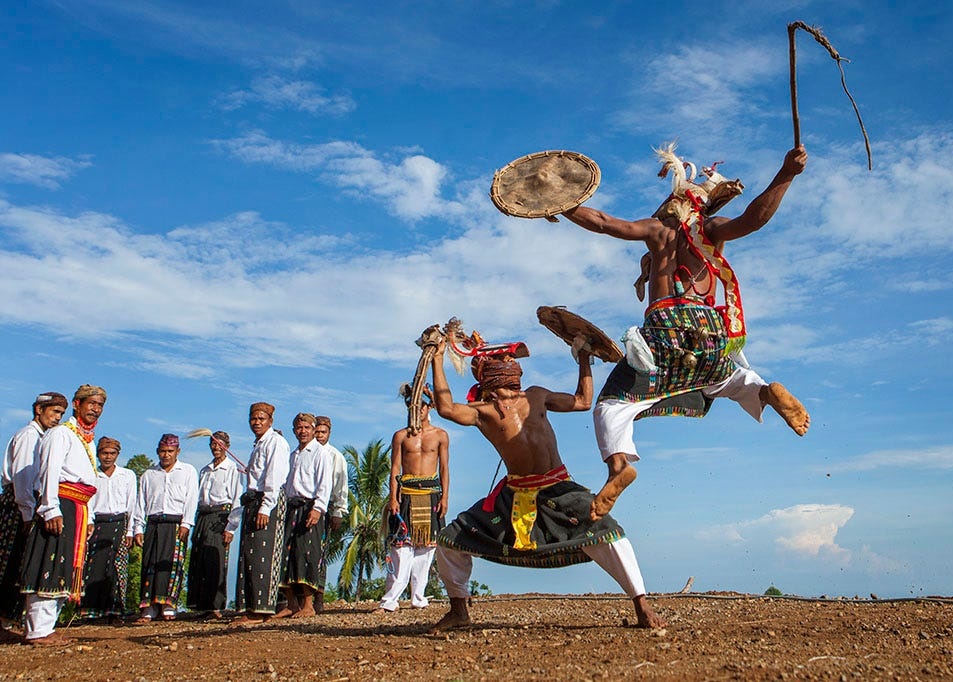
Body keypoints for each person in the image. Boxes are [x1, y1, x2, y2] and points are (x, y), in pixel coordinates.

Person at [561, 145, 812, 520]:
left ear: (671, 203)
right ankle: (766, 392)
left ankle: (618, 468)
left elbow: (600, 220)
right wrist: (786, 174)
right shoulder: (711, 231)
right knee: (733, 379)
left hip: (664, 338)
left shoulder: (656, 232)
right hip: (710, 337)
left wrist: (560, 206)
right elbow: (753, 219)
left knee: (612, 405)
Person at [428, 334, 665, 632]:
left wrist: (583, 358)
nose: (510, 364)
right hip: (512, 495)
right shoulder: (483, 412)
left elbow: (582, 401)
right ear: (486, 372)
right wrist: (437, 358)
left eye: (509, 360)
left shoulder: (536, 395)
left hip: (558, 488)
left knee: (608, 532)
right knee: (452, 539)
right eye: (502, 361)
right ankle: (459, 610)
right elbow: (446, 408)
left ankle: (642, 607)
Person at [19, 384, 104, 645]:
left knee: (66, 565)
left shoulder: (83, 439)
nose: (95, 410)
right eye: (90, 404)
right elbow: (50, 472)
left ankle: (48, 627)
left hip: (78, 507)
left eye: (99, 406)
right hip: (61, 504)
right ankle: (37, 630)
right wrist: (49, 507)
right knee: (50, 561)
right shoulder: (61, 434)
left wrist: (88, 517)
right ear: (77, 405)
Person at [0, 392, 68, 626]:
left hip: (27, 503)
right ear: (39, 410)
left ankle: (10, 619)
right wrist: (28, 513)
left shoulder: (43, 437)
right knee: (11, 560)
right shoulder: (30, 436)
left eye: (61, 413)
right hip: (20, 505)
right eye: (54, 411)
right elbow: (23, 479)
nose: (58, 417)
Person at [378, 390, 448, 612]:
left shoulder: (440, 435)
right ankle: (390, 599)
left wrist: (445, 496)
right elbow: (395, 468)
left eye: (422, 406)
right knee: (401, 549)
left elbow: (444, 468)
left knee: (426, 550)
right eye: (412, 407)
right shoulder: (400, 436)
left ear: (429, 407)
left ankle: (418, 597)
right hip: (406, 494)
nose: (417, 411)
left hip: (430, 495)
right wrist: (393, 497)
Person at [234, 402, 290, 624]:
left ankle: (262, 610)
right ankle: (252, 607)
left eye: (261, 419)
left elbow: (274, 478)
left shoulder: (276, 443)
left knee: (263, 554)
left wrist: (266, 506)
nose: (256, 422)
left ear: (270, 421)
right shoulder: (258, 444)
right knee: (250, 553)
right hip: (254, 501)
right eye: (253, 419)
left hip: (268, 502)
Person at [133, 434, 198, 622]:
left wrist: (186, 523)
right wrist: (138, 528)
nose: (166, 455)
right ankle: (149, 607)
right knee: (150, 564)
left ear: (177, 451)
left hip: (175, 523)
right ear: (157, 451)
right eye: (163, 451)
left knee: (172, 564)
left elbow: (191, 499)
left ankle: (169, 604)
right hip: (153, 523)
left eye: (170, 451)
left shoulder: (187, 471)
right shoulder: (148, 475)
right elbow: (141, 503)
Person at [274, 413, 331, 619]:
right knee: (286, 555)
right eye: (299, 428)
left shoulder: (320, 453)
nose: (303, 431)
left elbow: (325, 483)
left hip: (310, 507)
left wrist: (318, 508)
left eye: (307, 427)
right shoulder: (293, 455)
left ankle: (308, 604)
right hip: (291, 508)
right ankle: (291, 604)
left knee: (307, 554)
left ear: (314, 429)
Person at [186, 430, 242, 619]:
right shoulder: (205, 470)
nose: (216, 448)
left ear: (227, 445)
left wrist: (230, 527)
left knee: (215, 561)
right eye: (213, 444)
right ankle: (200, 604)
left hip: (221, 516)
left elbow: (236, 499)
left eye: (220, 444)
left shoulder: (232, 469)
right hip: (203, 515)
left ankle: (216, 606)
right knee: (199, 559)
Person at [80, 436, 136, 622]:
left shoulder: (127, 475)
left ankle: (115, 610)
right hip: (97, 524)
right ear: (98, 454)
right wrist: (89, 522)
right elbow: (88, 502)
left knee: (117, 566)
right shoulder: (92, 474)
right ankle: (91, 610)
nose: (108, 457)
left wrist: (130, 531)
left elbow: (131, 505)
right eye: (104, 453)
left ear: (118, 455)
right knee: (94, 566)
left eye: (112, 453)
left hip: (120, 523)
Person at [313, 415, 347, 611]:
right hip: (305, 508)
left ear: (329, 433)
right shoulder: (305, 453)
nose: (319, 435)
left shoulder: (335, 456)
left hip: (326, 509)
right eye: (316, 431)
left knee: (320, 552)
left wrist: (338, 512)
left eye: (323, 432)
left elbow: (341, 487)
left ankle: (319, 597)